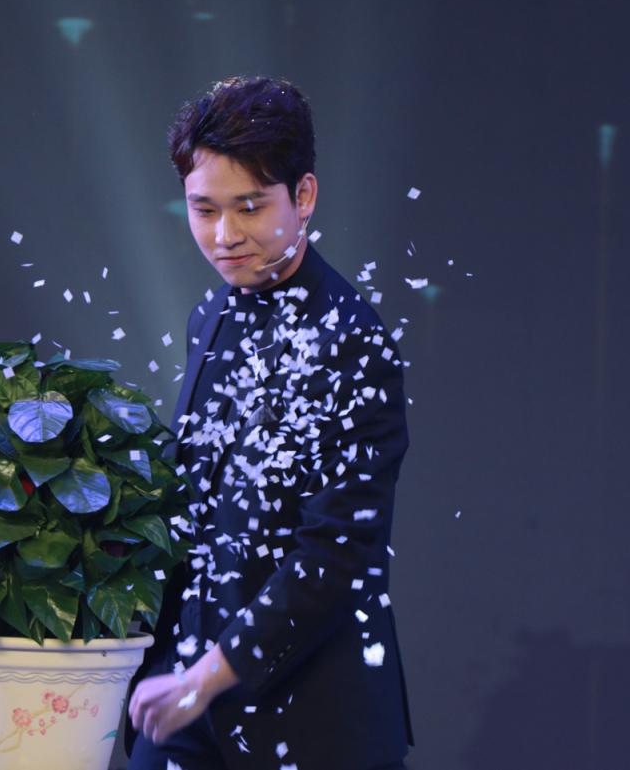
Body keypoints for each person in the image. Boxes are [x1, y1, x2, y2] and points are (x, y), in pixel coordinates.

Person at [125, 75, 414, 770]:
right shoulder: (210, 317)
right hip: (186, 702)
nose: (224, 236)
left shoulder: (351, 338)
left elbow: (339, 551)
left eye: (249, 207)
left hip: (311, 717)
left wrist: (208, 676)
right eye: (203, 209)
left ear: (303, 195)